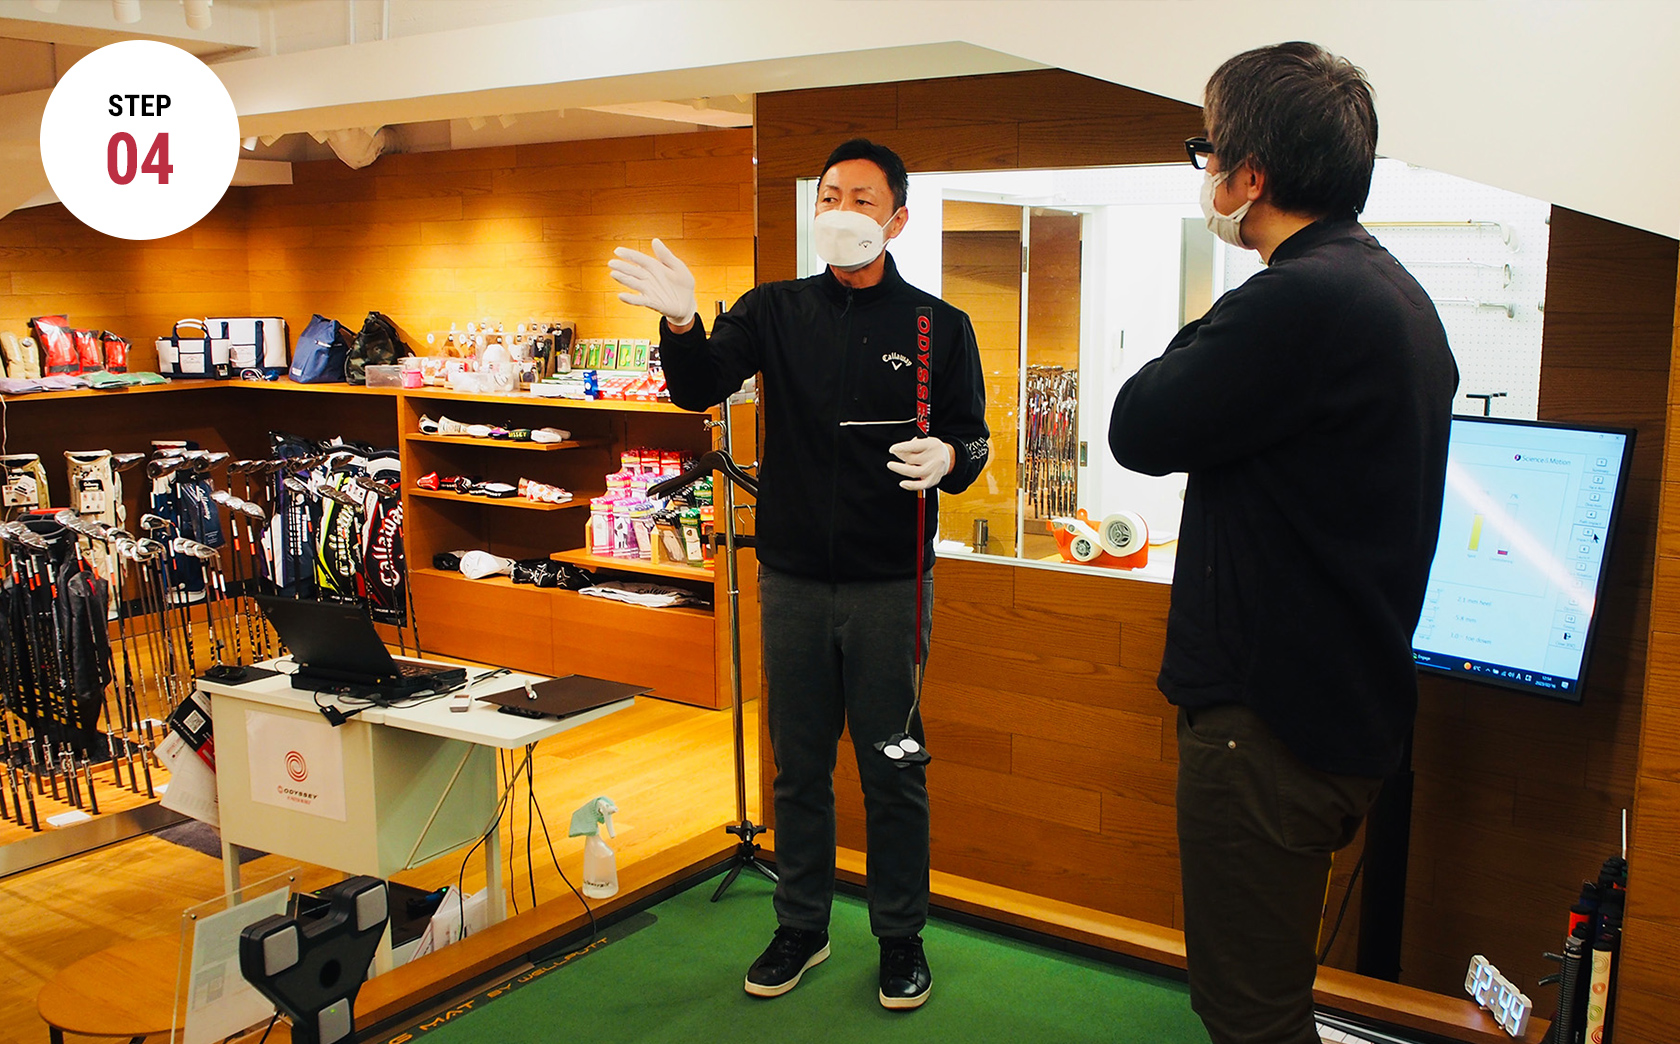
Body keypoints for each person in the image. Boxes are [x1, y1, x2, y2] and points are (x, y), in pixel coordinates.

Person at [1108, 43, 1458, 1044]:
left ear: (1250, 175)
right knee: (1269, 992)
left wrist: (1219, 317)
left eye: (1209, 150)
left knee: (1250, 1012)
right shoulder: (1393, 294)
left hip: (1268, 728)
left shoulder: (1297, 299)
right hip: (1342, 708)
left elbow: (1138, 426)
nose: (1207, 172)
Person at [608, 138, 989, 1011]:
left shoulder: (938, 324)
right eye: (829, 196)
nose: (841, 211)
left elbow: (973, 438)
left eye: (862, 199)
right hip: (792, 582)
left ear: (897, 219)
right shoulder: (773, 309)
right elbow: (698, 387)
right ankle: (802, 927)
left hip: (892, 584)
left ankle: (901, 938)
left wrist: (951, 458)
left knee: (893, 765)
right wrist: (681, 324)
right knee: (799, 768)